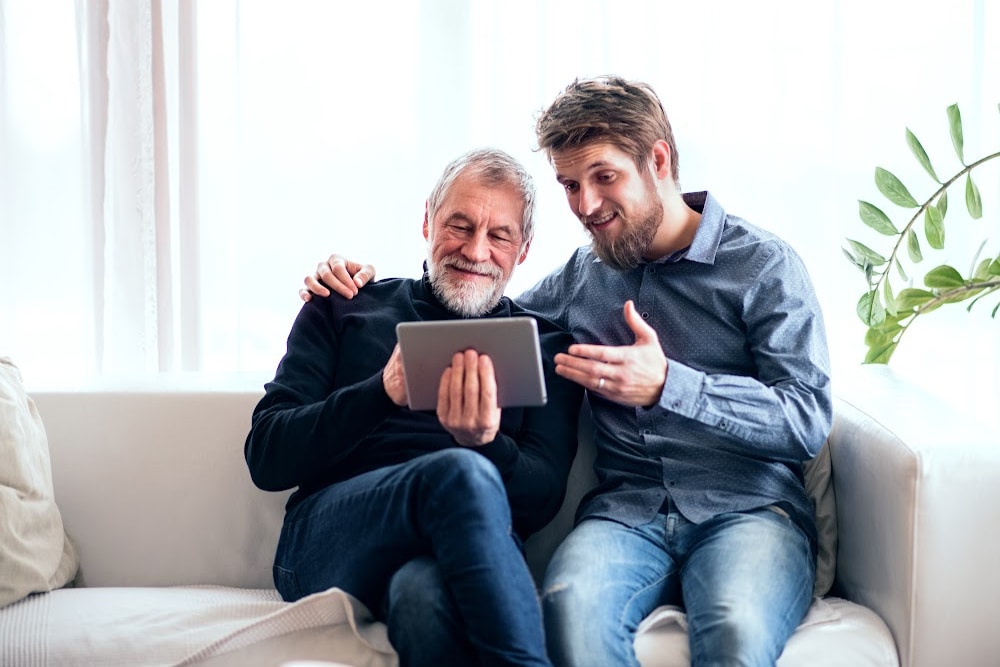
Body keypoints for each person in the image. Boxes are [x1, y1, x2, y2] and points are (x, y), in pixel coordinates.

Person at [303, 76, 833, 667]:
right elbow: (477, 296)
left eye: (604, 177)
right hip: (624, 518)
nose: (586, 205)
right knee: (570, 616)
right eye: (570, 185)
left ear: (657, 161)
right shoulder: (583, 277)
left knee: (734, 632)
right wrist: (358, 289)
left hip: (750, 512)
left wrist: (670, 386)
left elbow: (807, 419)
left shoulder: (763, 266)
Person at [246, 148, 583, 667]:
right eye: (459, 226)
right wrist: (380, 393)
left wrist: (485, 443)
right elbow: (267, 458)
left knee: (421, 599)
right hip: (328, 540)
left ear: (523, 249)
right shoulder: (345, 306)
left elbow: (542, 500)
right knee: (457, 473)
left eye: (499, 235)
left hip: (458, 552)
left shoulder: (545, 346)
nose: (475, 250)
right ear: (428, 221)